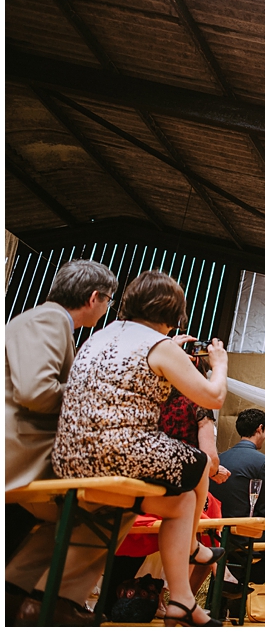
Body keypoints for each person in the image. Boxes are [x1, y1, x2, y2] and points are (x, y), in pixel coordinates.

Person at [51, 270, 228, 627]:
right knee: (199, 462)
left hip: (68, 457)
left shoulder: (98, 337)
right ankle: (193, 546)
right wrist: (219, 364)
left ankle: (180, 599)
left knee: (182, 501)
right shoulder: (159, 346)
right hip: (119, 452)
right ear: (173, 313)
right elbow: (213, 396)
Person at [5, 259, 120, 626]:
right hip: (23, 451)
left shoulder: (48, 322)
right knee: (109, 503)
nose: (108, 310)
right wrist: (95, 392)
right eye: (109, 302)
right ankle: (49, 599)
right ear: (94, 297)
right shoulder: (50, 320)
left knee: (74, 514)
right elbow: (37, 391)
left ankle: (21, 596)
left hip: (29, 448)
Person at [106, 380, 231, 608]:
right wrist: (211, 469)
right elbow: (209, 460)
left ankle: (184, 593)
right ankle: (187, 595)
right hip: (171, 491)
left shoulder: (144, 399)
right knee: (199, 521)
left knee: (198, 519)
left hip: (129, 487)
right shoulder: (198, 403)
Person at [208, 408, 265, 593]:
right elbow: (264, 506)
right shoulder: (263, 462)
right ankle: (237, 595)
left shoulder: (220, 458)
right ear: (260, 429)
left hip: (216, 534)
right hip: (242, 537)